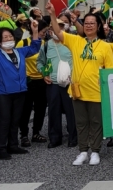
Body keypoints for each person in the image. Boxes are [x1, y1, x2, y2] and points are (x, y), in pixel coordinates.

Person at [46, 2, 113, 166]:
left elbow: (111, 69)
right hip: (77, 90)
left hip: (97, 91)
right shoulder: (76, 41)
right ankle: (83, 151)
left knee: (96, 122)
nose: (89, 26)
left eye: (93, 23)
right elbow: (57, 31)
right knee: (81, 123)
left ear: (98, 26)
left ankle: (96, 151)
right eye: (86, 23)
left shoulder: (105, 46)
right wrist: (52, 14)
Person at [0, 19, 40, 160]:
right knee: (5, 120)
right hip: (3, 92)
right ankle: (1, 149)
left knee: (15, 119)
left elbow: (35, 47)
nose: (9, 39)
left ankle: (13, 145)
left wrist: (35, 31)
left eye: (10, 37)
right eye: (5, 37)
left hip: (20, 91)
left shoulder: (20, 51)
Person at [36, 18, 77, 149]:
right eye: (54, 28)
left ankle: (73, 137)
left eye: (60, 27)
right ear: (50, 30)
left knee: (72, 111)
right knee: (53, 111)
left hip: (70, 82)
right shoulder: (46, 45)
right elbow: (40, 62)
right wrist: (44, 73)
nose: (56, 30)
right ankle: (54, 138)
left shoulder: (71, 42)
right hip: (52, 82)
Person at [18, 20, 50, 148]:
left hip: (42, 81)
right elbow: (18, 61)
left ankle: (36, 132)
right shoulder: (23, 43)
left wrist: (46, 75)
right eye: (43, 31)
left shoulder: (46, 44)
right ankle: (24, 135)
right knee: (25, 110)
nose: (44, 34)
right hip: (27, 81)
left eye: (45, 32)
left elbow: (48, 62)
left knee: (40, 109)